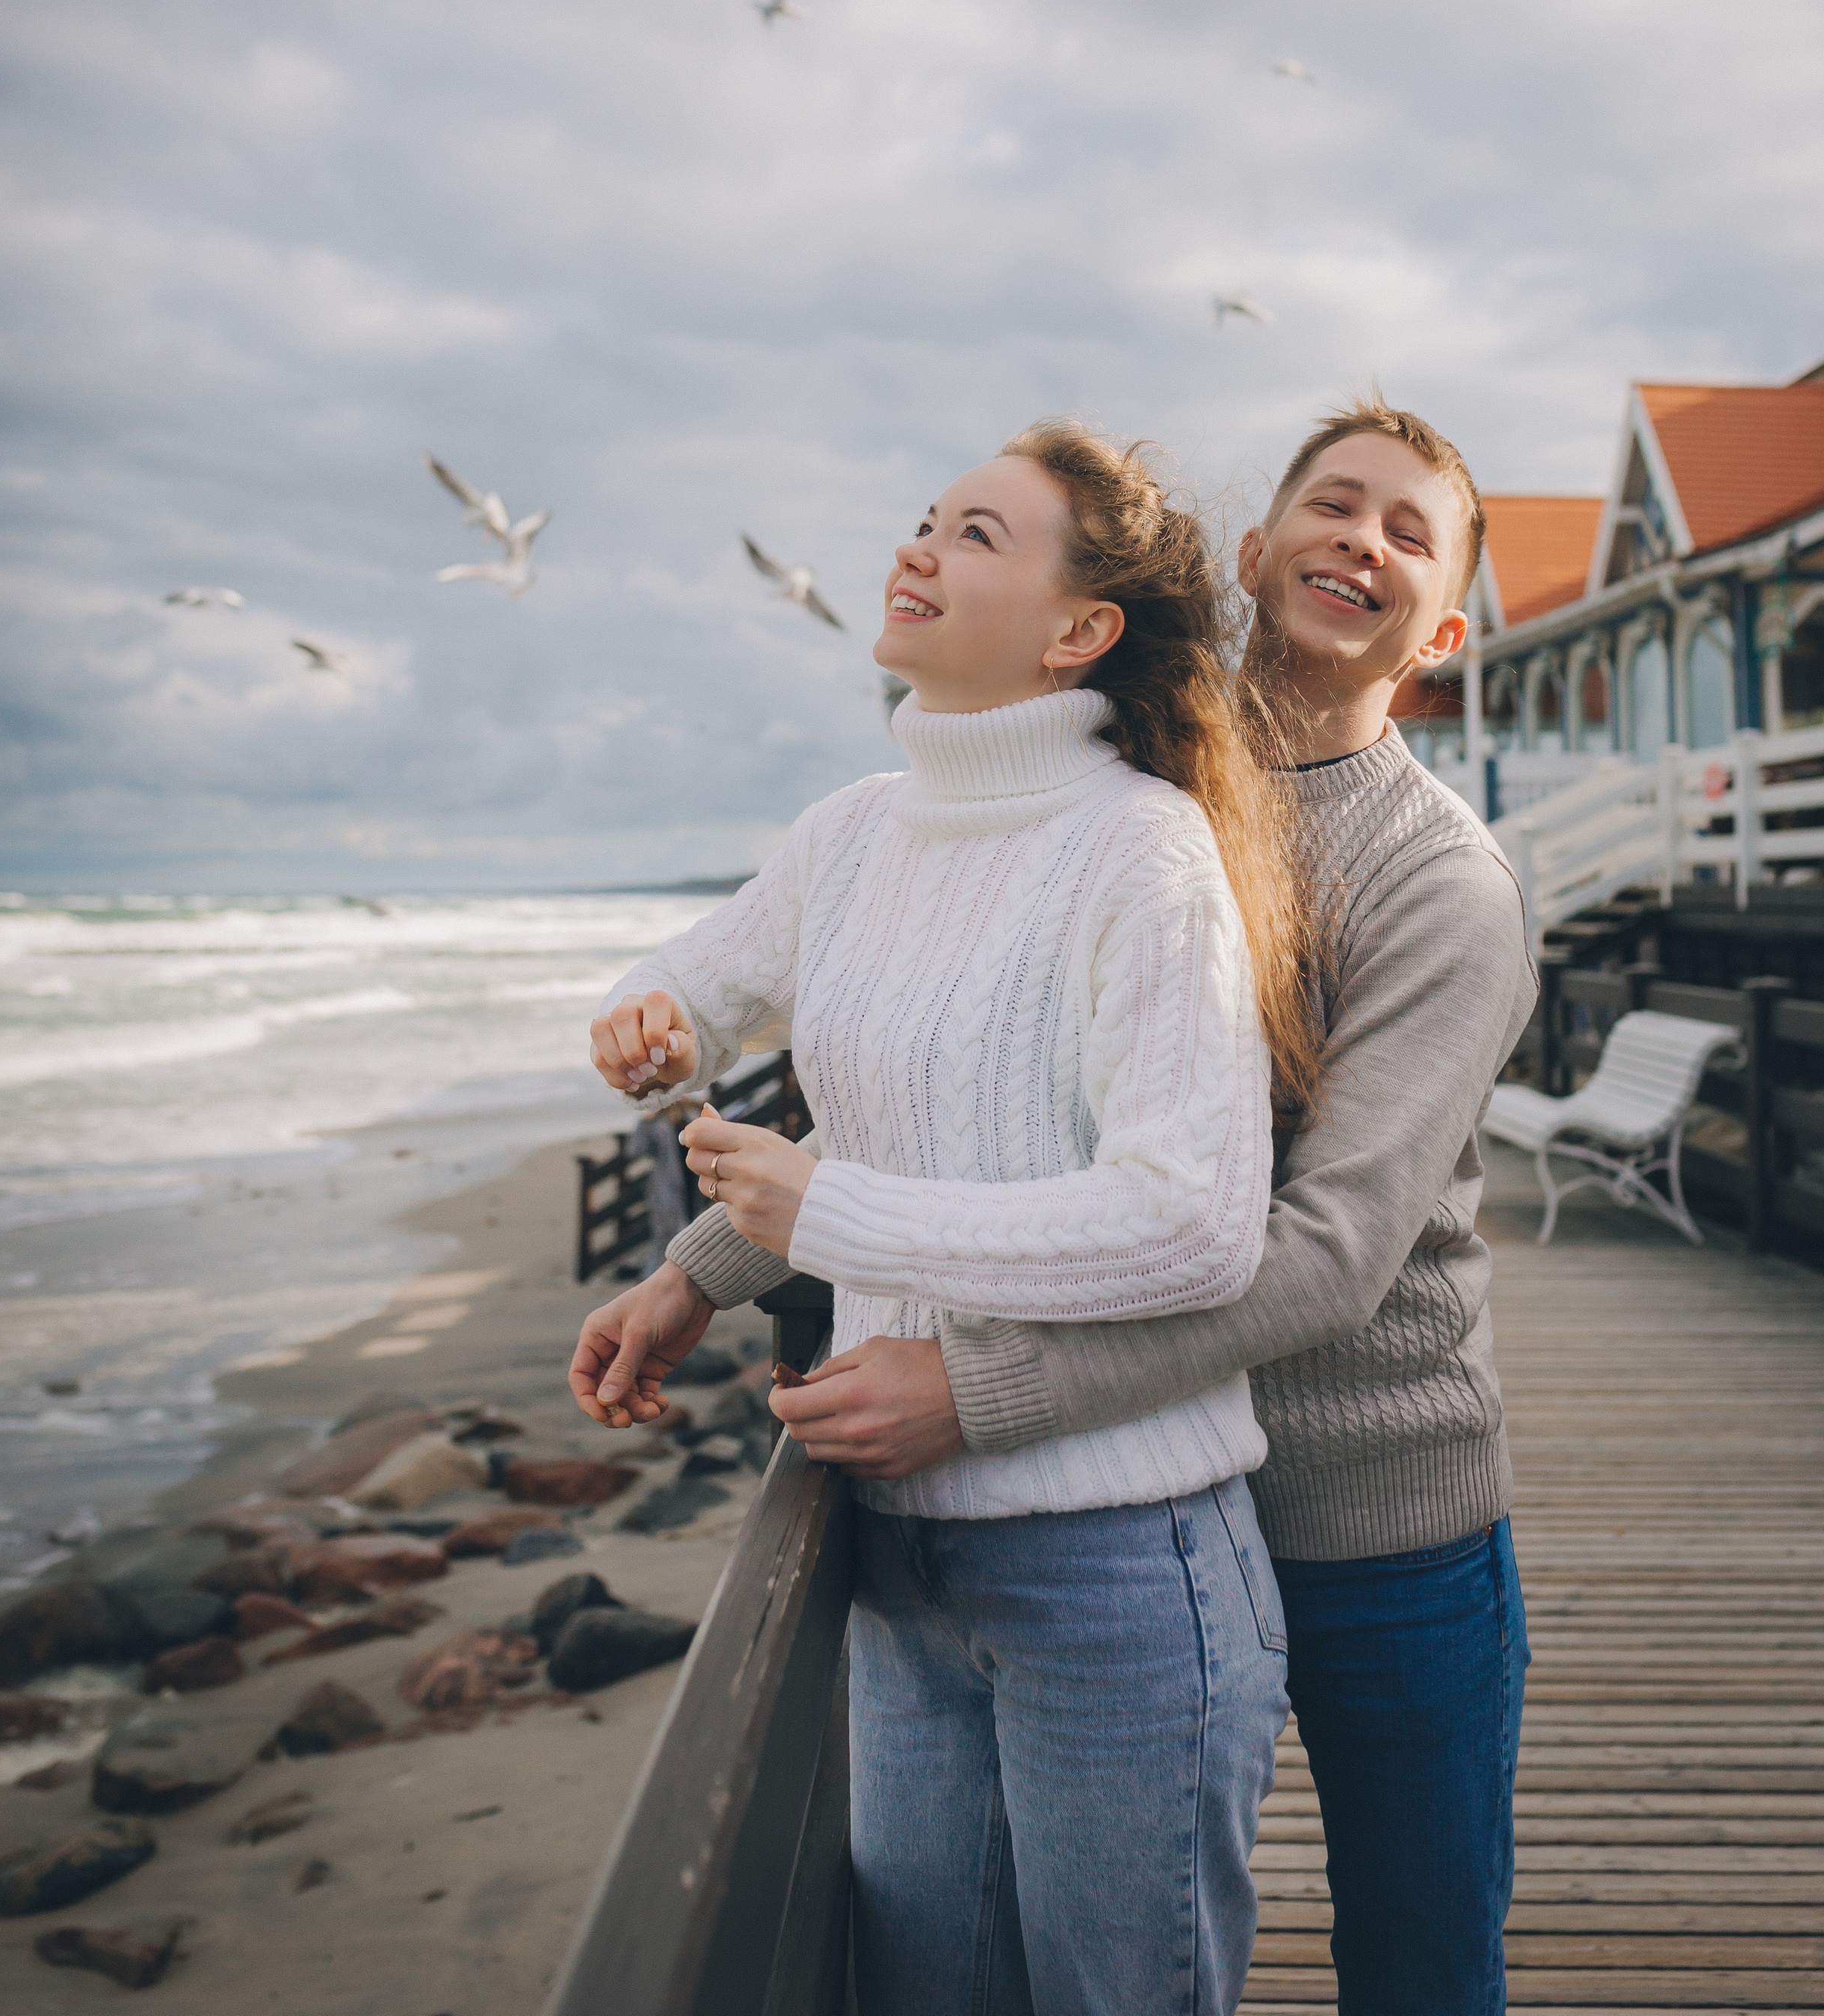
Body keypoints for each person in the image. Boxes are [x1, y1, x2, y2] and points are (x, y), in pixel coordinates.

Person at [576, 398, 1538, 2016]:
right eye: (1329, 504)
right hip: (1139, 1487)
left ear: (1439, 627)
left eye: (1403, 530)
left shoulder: (1436, 882)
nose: (1355, 541)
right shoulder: (1124, 778)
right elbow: (974, 1107)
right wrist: (702, 1269)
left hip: (1370, 1502)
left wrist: (984, 1388)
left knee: (1416, 1963)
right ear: (1251, 553)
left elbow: (1321, 1257)